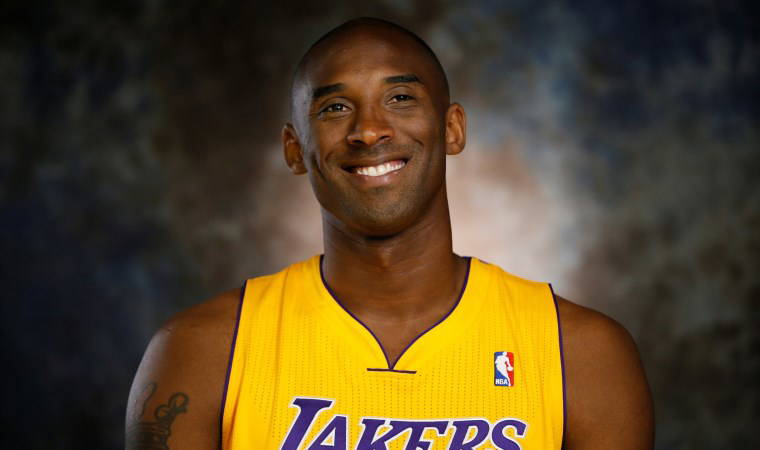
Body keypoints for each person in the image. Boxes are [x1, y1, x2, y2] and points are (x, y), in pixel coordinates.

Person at [126, 17, 654, 450]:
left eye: (400, 97)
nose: (369, 130)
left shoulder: (581, 355)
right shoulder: (202, 352)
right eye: (335, 108)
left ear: (452, 128)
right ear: (295, 149)